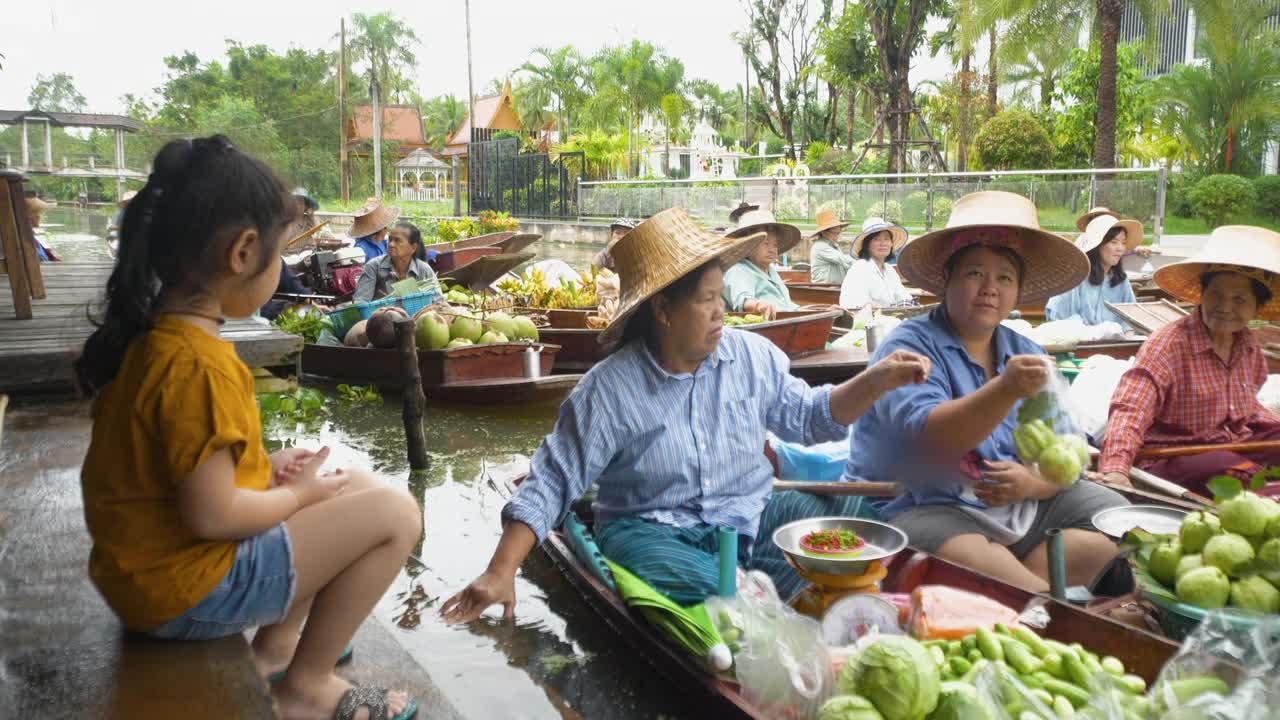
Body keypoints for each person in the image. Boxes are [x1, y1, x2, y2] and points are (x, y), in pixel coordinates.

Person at [75, 136, 421, 720]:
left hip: (150, 576)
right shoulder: (199, 366)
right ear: (243, 252)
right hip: (181, 594)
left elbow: (182, 476)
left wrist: (269, 475)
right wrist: (293, 496)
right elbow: (211, 516)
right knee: (398, 514)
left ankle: (277, 650)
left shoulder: (160, 343)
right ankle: (306, 690)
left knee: (352, 483)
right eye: (280, 251)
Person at [439, 208, 930, 620]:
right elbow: (553, 478)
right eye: (708, 300)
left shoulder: (750, 358)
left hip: (748, 515)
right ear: (664, 311)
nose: (722, 313)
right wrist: (501, 571)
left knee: (855, 526)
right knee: (717, 592)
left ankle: (782, 599)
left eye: (722, 296)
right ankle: (764, 608)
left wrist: (876, 379)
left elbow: (811, 418)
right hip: (653, 532)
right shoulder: (610, 389)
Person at [841, 191, 1128, 593]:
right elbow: (934, 437)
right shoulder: (908, 348)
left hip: (1022, 503)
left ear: (1018, 291)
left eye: (1005, 278)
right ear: (948, 279)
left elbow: (1069, 449)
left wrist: (1033, 483)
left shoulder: (1025, 351)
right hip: (928, 504)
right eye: (975, 273)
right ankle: (1037, 595)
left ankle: (1024, 584)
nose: (990, 288)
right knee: (972, 556)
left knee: (1122, 519)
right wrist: (1005, 388)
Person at [1100, 226, 1280, 496]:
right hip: (1173, 457)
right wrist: (1115, 469)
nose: (1225, 307)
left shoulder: (1248, 345)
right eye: (1216, 294)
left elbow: (1247, 409)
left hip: (1232, 445)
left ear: (1256, 307)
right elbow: (1131, 408)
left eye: (1239, 299)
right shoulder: (1169, 344)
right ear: (1202, 294)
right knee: (1232, 471)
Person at [1044, 215, 1141, 329]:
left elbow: (1131, 319)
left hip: (1116, 344)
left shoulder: (1121, 280)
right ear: (1097, 245)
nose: (1120, 248)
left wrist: (1127, 334)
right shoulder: (1075, 278)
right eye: (1114, 242)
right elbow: (1059, 319)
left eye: (1123, 243)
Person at [722, 208, 803, 319]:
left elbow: (789, 306)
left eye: (775, 245)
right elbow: (744, 300)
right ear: (749, 246)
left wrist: (820, 310)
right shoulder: (737, 270)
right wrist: (758, 305)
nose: (772, 250)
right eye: (766, 243)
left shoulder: (770, 270)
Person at [353, 222, 441, 304]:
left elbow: (439, 302)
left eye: (397, 240)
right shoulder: (373, 266)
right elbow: (361, 301)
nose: (391, 244)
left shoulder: (424, 270)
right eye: (390, 239)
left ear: (413, 247)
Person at [838, 217, 912, 309]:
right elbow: (856, 304)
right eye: (876, 239)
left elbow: (903, 297)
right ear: (867, 245)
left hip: (890, 318)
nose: (883, 243)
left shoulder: (889, 270)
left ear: (891, 244)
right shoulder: (860, 269)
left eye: (886, 239)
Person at [1077, 206, 1153, 259]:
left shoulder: (1112, 237)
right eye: (1096, 218)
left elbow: (1124, 248)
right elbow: (1076, 253)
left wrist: (1137, 249)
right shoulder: (1083, 239)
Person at [807, 208, 854, 284]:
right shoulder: (820, 246)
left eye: (838, 233)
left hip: (835, 289)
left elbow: (846, 264)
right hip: (824, 290)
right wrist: (863, 264)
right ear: (823, 232)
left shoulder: (834, 246)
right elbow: (843, 259)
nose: (836, 237)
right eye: (833, 233)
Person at [24, 196, 60, 262]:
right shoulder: (26, 240)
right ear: (31, 217)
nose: (39, 216)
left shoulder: (28, 237)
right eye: (38, 213)